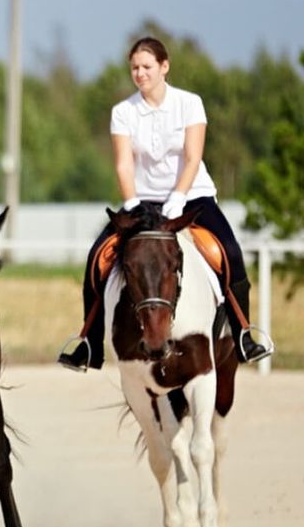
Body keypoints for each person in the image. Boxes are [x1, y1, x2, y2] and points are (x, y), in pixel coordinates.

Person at [57, 36, 273, 371]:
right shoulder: (123, 111)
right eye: (134, 68)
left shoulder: (190, 104)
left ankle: (244, 333)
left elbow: (192, 156)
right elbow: (123, 164)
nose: (140, 74)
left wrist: (178, 197)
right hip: (143, 201)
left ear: (164, 67)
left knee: (230, 252)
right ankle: (89, 344)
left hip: (192, 194)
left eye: (146, 67)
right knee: (96, 259)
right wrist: (131, 203)